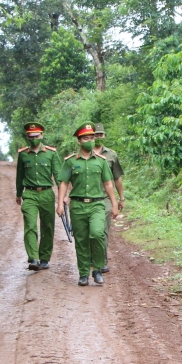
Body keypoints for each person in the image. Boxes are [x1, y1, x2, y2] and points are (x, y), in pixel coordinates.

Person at [56, 122, 119, 286]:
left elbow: (108, 184)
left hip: (97, 205)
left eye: (92, 138)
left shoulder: (101, 161)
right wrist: (60, 203)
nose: (90, 141)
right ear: (79, 141)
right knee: (82, 240)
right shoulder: (70, 162)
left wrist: (114, 203)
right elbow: (63, 183)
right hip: (77, 206)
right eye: (86, 138)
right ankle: (83, 273)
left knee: (97, 234)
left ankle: (97, 268)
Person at [15, 122, 62, 271]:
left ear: (41, 135)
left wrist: (63, 197)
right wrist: (18, 193)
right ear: (27, 137)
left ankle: (44, 258)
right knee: (30, 225)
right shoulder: (23, 154)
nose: (34, 138)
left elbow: (58, 177)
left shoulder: (51, 153)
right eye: (31, 136)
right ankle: (33, 258)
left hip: (47, 193)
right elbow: (19, 176)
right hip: (29, 194)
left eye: (36, 136)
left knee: (47, 227)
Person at [93, 123, 125, 273]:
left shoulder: (111, 155)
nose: (98, 137)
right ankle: (91, 257)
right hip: (87, 197)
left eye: (101, 135)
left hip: (105, 198)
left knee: (102, 230)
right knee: (90, 231)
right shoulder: (83, 154)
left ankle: (102, 260)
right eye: (95, 135)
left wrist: (121, 198)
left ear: (104, 136)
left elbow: (117, 178)